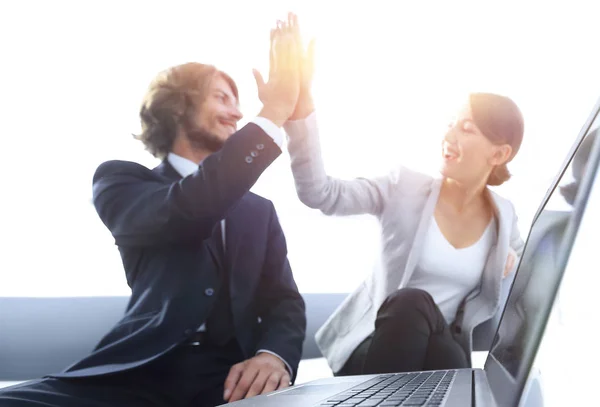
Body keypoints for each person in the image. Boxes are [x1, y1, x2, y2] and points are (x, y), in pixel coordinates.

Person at [0, 18, 306, 407]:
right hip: (135, 373)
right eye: (222, 98)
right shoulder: (121, 183)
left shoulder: (260, 212)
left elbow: (284, 302)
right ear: (178, 105)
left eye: (237, 100)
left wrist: (272, 356)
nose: (237, 112)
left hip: (229, 377)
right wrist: (274, 109)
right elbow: (189, 209)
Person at [282, 19, 525, 375]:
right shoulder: (403, 187)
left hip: (439, 356)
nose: (450, 133)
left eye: (467, 128)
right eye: (451, 122)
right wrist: (301, 111)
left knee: (448, 361)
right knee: (412, 302)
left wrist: (513, 254)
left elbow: (527, 275)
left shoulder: (505, 219)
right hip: (377, 346)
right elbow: (321, 194)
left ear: (499, 155)